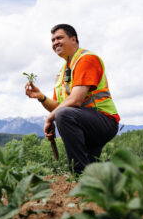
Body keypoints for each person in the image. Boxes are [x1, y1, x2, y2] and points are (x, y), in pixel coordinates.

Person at [25, 24, 120, 174]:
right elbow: (59, 106)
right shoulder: (62, 72)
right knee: (95, 170)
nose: (55, 42)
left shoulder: (86, 59)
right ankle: (122, 167)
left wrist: (50, 118)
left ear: (73, 39)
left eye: (59, 38)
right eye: (52, 40)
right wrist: (41, 98)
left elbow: (75, 101)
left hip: (103, 120)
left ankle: (78, 172)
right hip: (83, 123)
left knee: (63, 115)